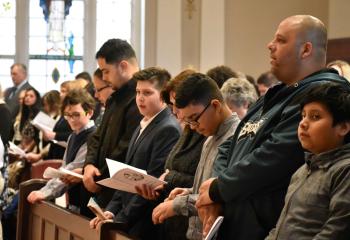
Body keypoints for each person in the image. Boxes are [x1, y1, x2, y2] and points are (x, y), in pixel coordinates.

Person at [195, 15, 350, 240]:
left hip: (261, 225)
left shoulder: (322, 92)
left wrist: (219, 188)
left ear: (305, 50)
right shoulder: (276, 93)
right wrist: (216, 190)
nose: (270, 45)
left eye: (281, 40)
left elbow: (277, 155)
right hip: (237, 220)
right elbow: (231, 143)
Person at [89, 67, 181, 239]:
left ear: (164, 95)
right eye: (138, 92)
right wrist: (110, 211)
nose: (140, 98)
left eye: (147, 92)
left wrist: (121, 219)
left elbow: (151, 183)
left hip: (146, 223)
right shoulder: (143, 123)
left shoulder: (168, 129)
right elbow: (126, 177)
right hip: (130, 219)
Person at [151, 73, 240, 240]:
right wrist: (189, 191)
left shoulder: (236, 138)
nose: (193, 127)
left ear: (215, 105)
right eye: (188, 121)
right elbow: (206, 187)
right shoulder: (209, 139)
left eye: (194, 119)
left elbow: (220, 195)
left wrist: (178, 205)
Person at [266, 83, 350, 239]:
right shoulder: (302, 170)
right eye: (303, 115)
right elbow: (281, 227)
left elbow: (336, 232)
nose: (303, 123)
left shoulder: (345, 170)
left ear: (343, 127)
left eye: (315, 117)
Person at [136, 69, 207, 240]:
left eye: (177, 104)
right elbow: (171, 168)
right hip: (172, 222)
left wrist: (169, 179)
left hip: (191, 223)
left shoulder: (205, 131)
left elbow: (205, 181)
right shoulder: (188, 129)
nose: (174, 111)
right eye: (172, 105)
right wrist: (160, 186)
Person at [83, 39, 142, 209]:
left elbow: (125, 148)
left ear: (123, 66)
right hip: (101, 184)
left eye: (106, 71)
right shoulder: (115, 97)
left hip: (118, 193)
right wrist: (89, 165)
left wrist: (99, 177)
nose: (104, 77)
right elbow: (96, 136)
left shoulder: (137, 100)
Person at [27, 89, 96, 213]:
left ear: (89, 112)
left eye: (76, 114)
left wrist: (45, 192)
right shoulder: (73, 136)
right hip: (74, 199)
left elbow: (73, 169)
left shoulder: (92, 136)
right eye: (67, 115)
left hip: (87, 201)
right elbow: (65, 168)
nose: (71, 119)